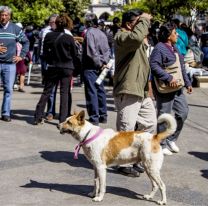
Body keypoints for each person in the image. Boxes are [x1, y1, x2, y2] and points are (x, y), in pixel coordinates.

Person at [113, 9, 157, 177]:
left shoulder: (136, 38)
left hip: (142, 89)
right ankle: (123, 163)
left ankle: (136, 157)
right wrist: (144, 19)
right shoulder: (121, 36)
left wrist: (149, 88)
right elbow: (136, 37)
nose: (144, 24)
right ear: (129, 23)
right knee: (126, 127)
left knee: (149, 123)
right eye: (139, 22)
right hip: (128, 87)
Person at [150, 22, 192, 156]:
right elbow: (154, 66)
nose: (177, 35)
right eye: (175, 33)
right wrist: (168, 78)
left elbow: (181, 67)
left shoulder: (175, 48)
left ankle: (171, 138)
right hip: (165, 90)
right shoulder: (159, 48)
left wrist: (188, 82)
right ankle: (161, 143)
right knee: (164, 116)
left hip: (178, 88)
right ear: (168, 36)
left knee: (183, 112)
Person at [34, 14, 79, 125]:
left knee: (47, 91)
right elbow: (75, 54)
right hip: (67, 67)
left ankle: (37, 116)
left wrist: (51, 60)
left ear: (56, 23)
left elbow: (44, 53)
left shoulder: (49, 35)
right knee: (64, 93)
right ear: (67, 24)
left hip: (53, 66)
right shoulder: (69, 38)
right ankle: (62, 120)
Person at [0, 6, 29, 122]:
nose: (3, 17)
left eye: (6, 15)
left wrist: (21, 56)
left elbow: (26, 42)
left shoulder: (15, 29)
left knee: (8, 89)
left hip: (10, 64)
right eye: (2, 15)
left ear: (9, 16)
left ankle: (5, 113)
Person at [82, 13, 110, 125]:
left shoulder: (89, 33)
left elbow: (91, 52)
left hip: (91, 66)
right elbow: (107, 50)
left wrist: (99, 63)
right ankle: (103, 115)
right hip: (100, 65)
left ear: (88, 22)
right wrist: (104, 63)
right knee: (100, 90)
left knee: (92, 92)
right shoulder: (102, 33)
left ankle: (94, 118)